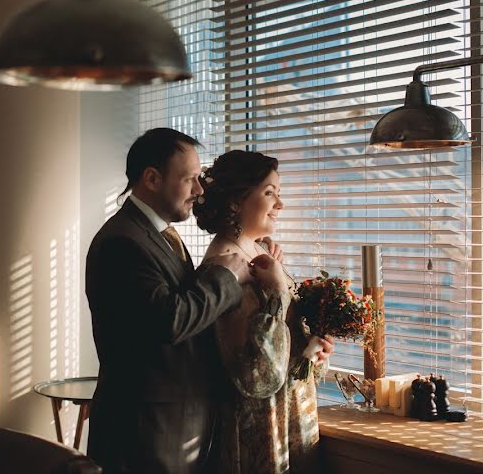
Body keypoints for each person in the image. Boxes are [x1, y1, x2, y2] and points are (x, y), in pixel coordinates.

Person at [85, 128, 252, 474]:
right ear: (151, 178)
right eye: (190, 178)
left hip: (172, 429)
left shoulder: (158, 236)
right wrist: (227, 277)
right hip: (144, 434)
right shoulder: (122, 243)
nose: (199, 190)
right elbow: (170, 320)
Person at [193, 149, 333, 474]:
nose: (279, 205)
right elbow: (256, 377)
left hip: (291, 414)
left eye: (278, 194)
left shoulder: (262, 253)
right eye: (269, 193)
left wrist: (308, 349)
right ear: (235, 202)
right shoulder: (222, 269)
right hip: (260, 429)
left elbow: (281, 350)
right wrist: (279, 293)